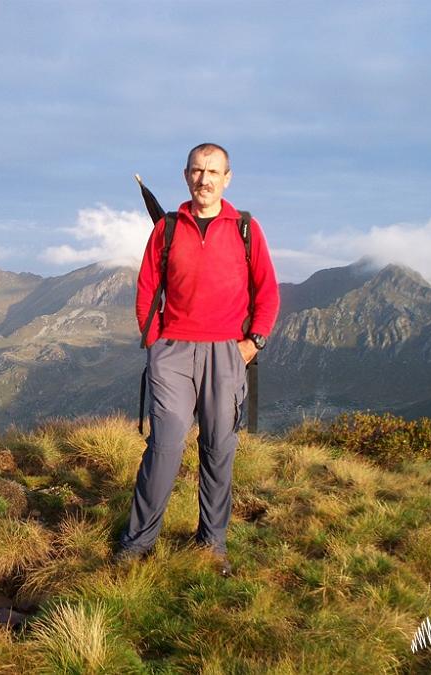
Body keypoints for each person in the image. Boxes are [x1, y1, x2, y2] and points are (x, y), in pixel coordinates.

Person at [116, 143, 280, 575]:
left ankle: (212, 544)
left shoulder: (245, 228)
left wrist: (253, 343)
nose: (204, 179)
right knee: (165, 444)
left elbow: (268, 291)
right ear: (186, 176)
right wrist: (155, 342)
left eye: (213, 171)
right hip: (173, 351)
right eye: (196, 171)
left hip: (228, 352)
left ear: (227, 178)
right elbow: (147, 289)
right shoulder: (167, 228)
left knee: (219, 449)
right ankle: (137, 545)